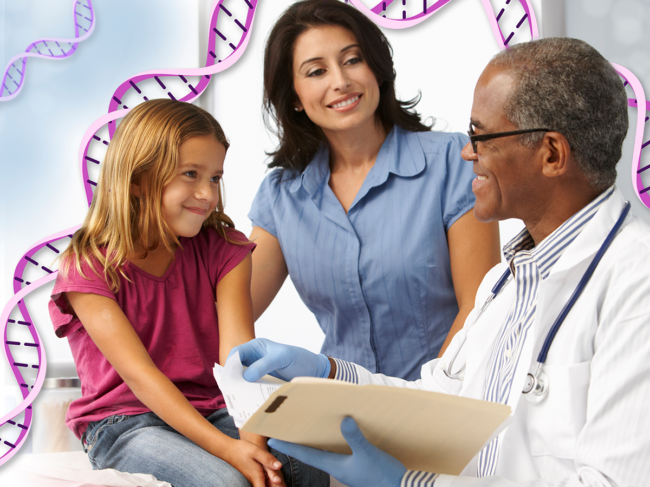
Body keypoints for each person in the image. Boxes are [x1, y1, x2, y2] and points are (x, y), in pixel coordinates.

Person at [231, 38, 650, 486]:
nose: (468, 153)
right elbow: (439, 398)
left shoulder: (634, 280)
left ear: (551, 154)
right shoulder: (506, 281)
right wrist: (328, 374)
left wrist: (412, 484)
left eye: (481, 135)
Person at [48, 100, 329, 487]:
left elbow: (239, 363)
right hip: (124, 421)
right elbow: (142, 377)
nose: (207, 194)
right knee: (226, 483)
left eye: (215, 178)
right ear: (138, 179)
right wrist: (231, 453)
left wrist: (254, 448)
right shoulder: (87, 266)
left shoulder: (225, 250)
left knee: (303, 468)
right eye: (191, 174)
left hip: (214, 407)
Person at [249, 0, 501, 381]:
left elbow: (478, 309)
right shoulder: (281, 196)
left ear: (377, 69)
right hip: (337, 412)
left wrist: (422, 406)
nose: (340, 81)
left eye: (352, 60)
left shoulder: (453, 161)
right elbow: (230, 313)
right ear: (295, 97)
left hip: (442, 408)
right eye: (316, 71)